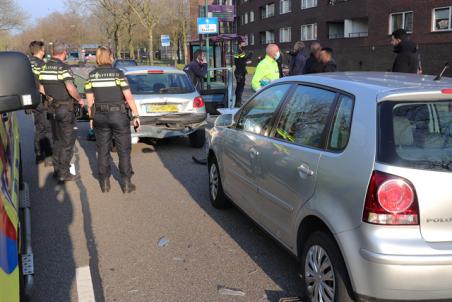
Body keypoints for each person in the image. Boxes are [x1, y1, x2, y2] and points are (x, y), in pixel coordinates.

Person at [85, 46, 141, 193]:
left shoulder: (91, 76)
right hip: (118, 116)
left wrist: (91, 117)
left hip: (99, 117)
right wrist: (135, 115)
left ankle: (104, 183)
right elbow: (128, 97)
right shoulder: (118, 74)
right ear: (109, 56)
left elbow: (90, 100)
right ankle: (127, 183)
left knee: (102, 149)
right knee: (124, 150)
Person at [39, 41, 84, 183]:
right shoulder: (63, 68)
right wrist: (79, 99)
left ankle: (57, 171)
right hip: (65, 109)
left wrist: (49, 96)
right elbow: (70, 88)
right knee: (67, 142)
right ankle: (64, 173)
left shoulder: (44, 67)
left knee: (57, 140)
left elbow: (40, 87)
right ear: (64, 52)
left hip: (51, 108)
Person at [28, 40, 53, 166]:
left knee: (38, 127)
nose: (45, 51)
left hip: (32, 100)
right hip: (41, 100)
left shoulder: (27, 63)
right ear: (40, 50)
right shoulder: (41, 64)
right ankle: (48, 157)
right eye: (43, 49)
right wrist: (49, 97)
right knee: (47, 128)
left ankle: (38, 154)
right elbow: (41, 84)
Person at [234, 41, 253, 107]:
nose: (245, 45)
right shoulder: (239, 52)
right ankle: (238, 103)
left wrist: (249, 56)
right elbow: (240, 63)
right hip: (240, 72)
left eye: (245, 44)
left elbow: (242, 60)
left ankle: (238, 102)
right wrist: (247, 62)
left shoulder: (241, 52)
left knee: (239, 87)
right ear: (239, 45)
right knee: (240, 88)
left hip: (240, 72)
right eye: (243, 44)